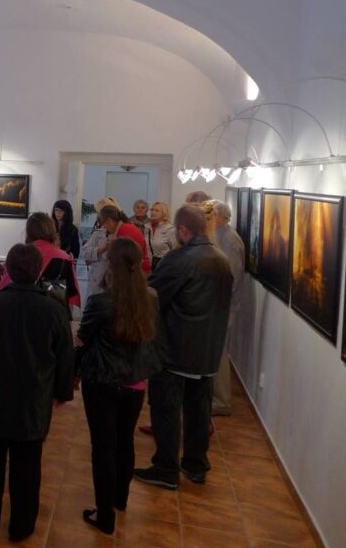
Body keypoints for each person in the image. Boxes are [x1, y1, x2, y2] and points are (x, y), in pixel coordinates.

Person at [0, 243, 74, 542]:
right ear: (38, 272)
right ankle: (22, 525)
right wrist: (62, 392)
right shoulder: (54, 309)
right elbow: (65, 356)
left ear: (7, 270)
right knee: (28, 467)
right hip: (32, 401)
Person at [134, 205, 232, 490]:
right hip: (207, 351)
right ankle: (196, 464)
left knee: (166, 410)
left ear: (183, 230)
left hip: (175, 349)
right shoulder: (221, 260)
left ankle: (166, 468)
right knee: (199, 411)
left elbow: (152, 297)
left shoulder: (179, 259)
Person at [77, 239, 162, 535]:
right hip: (135, 382)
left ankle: (105, 515)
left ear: (111, 265)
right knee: (125, 441)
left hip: (101, 381)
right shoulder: (150, 298)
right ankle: (120, 499)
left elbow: (84, 337)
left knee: (103, 446)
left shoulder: (101, 301)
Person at [0, 212, 81, 308]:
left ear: (29, 232)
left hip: (21, 308)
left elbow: (5, 287)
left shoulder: (21, 254)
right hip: (53, 310)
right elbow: (72, 293)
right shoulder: (64, 258)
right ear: (51, 230)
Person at [208, 200, 245, 417]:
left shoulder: (229, 239)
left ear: (220, 216)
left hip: (222, 306)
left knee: (220, 352)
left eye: (210, 214)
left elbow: (232, 277)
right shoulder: (219, 234)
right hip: (218, 304)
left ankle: (221, 401)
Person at [80, 197, 120, 298]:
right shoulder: (99, 231)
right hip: (97, 275)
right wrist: (101, 249)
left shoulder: (122, 231)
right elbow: (84, 252)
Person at [97, 204, 151, 274]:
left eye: (103, 224)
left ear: (109, 220)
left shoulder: (124, 230)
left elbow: (122, 259)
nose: (104, 228)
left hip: (136, 273)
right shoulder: (126, 227)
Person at [145, 201, 179, 268]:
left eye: (157, 210)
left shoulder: (170, 230)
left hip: (165, 266)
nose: (153, 212)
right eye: (152, 210)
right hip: (150, 265)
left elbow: (176, 252)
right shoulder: (147, 228)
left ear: (164, 213)